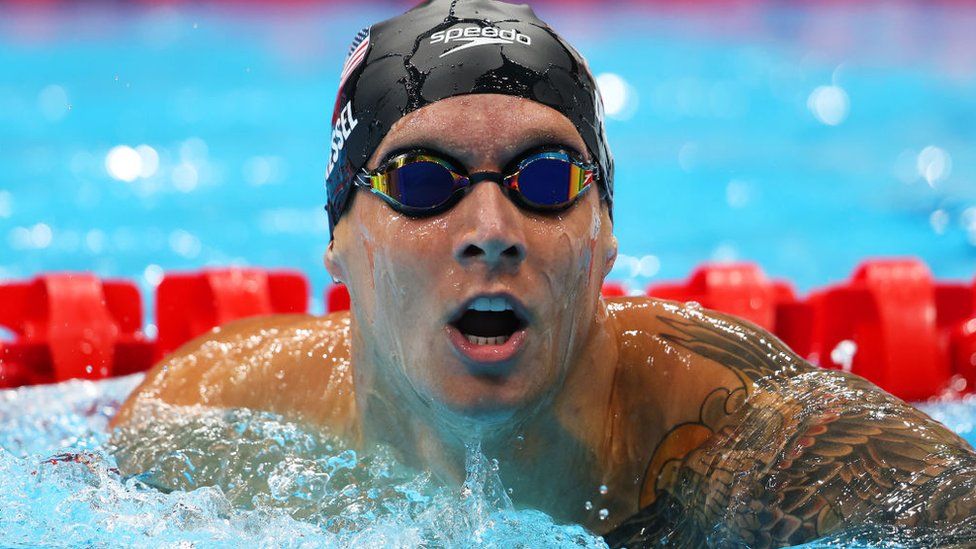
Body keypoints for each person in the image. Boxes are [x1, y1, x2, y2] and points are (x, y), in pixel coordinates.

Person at [112, 0, 976, 546]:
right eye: (422, 183)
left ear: (604, 235)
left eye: (545, 180)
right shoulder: (209, 421)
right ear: (338, 239)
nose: (492, 231)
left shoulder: (745, 440)